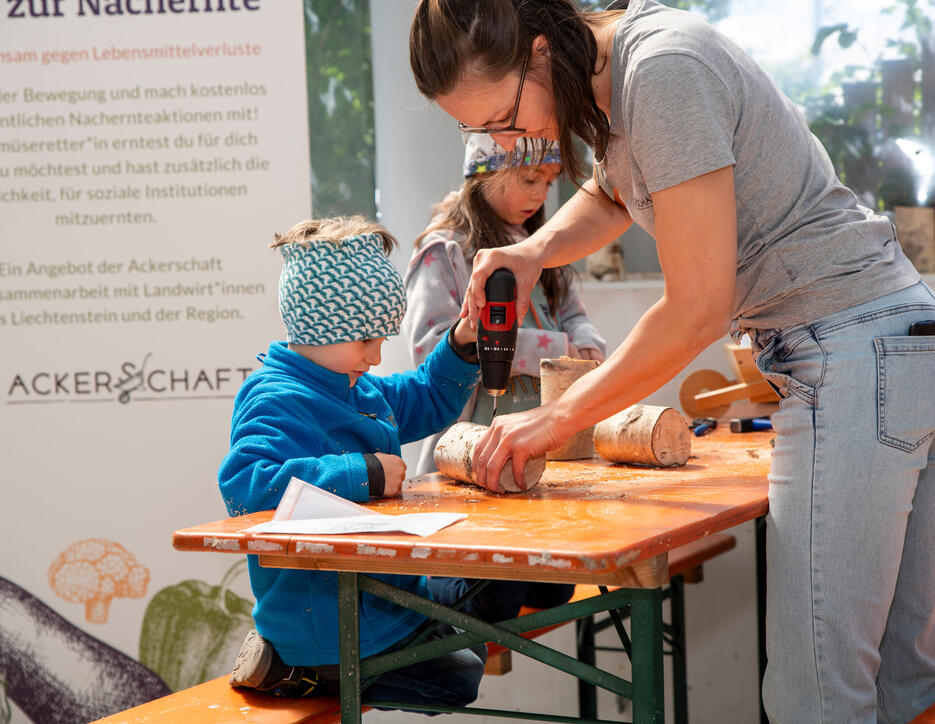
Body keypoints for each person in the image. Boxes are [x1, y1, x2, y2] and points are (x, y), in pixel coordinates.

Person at [409, 1, 935, 722]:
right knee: (900, 680)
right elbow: (614, 191)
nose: (508, 140)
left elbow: (696, 309)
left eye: (502, 117)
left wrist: (553, 419)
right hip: (889, 339)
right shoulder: (618, 77)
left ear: (536, 52)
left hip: (849, 348)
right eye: (476, 131)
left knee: (815, 695)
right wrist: (534, 252)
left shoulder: (661, 72)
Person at [218, 216, 490, 710]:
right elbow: (246, 484)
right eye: (366, 340)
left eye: (382, 339)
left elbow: (425, 395)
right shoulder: (275, 398)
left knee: (490, 619)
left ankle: (367, 649)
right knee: (460, 676)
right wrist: (361, 472)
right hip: (327, 621)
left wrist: (460, 343)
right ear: (319, 326)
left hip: (379, 596)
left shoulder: (354, 385)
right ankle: (298, 673)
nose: (376, 355)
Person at [402, 133, 606, 476]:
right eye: (529, 179)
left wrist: (585, 343)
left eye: (548, 182)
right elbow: (431, 350)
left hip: (548, 444)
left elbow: (572, 315)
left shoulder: (543, 246)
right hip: (471, 450)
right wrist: (557, 350)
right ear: (483, 172)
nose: (540, 194)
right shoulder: (446, 251)